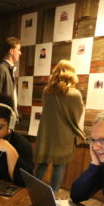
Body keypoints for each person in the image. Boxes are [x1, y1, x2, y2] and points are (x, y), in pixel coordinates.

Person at [34, 60, 85, 192]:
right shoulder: (74, 95)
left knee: (42, 164)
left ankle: (32, 191)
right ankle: (53, 194)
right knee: (59, 165)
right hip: (64, 136)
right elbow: (76, 115)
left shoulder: (47, 92)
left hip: (47, 135)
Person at [0, 37, 22, 112]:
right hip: (4, 118)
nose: (20, 53)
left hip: (9, 117)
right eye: (18, 50)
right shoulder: (1, 70)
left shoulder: (9, 70)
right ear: (11, 51)